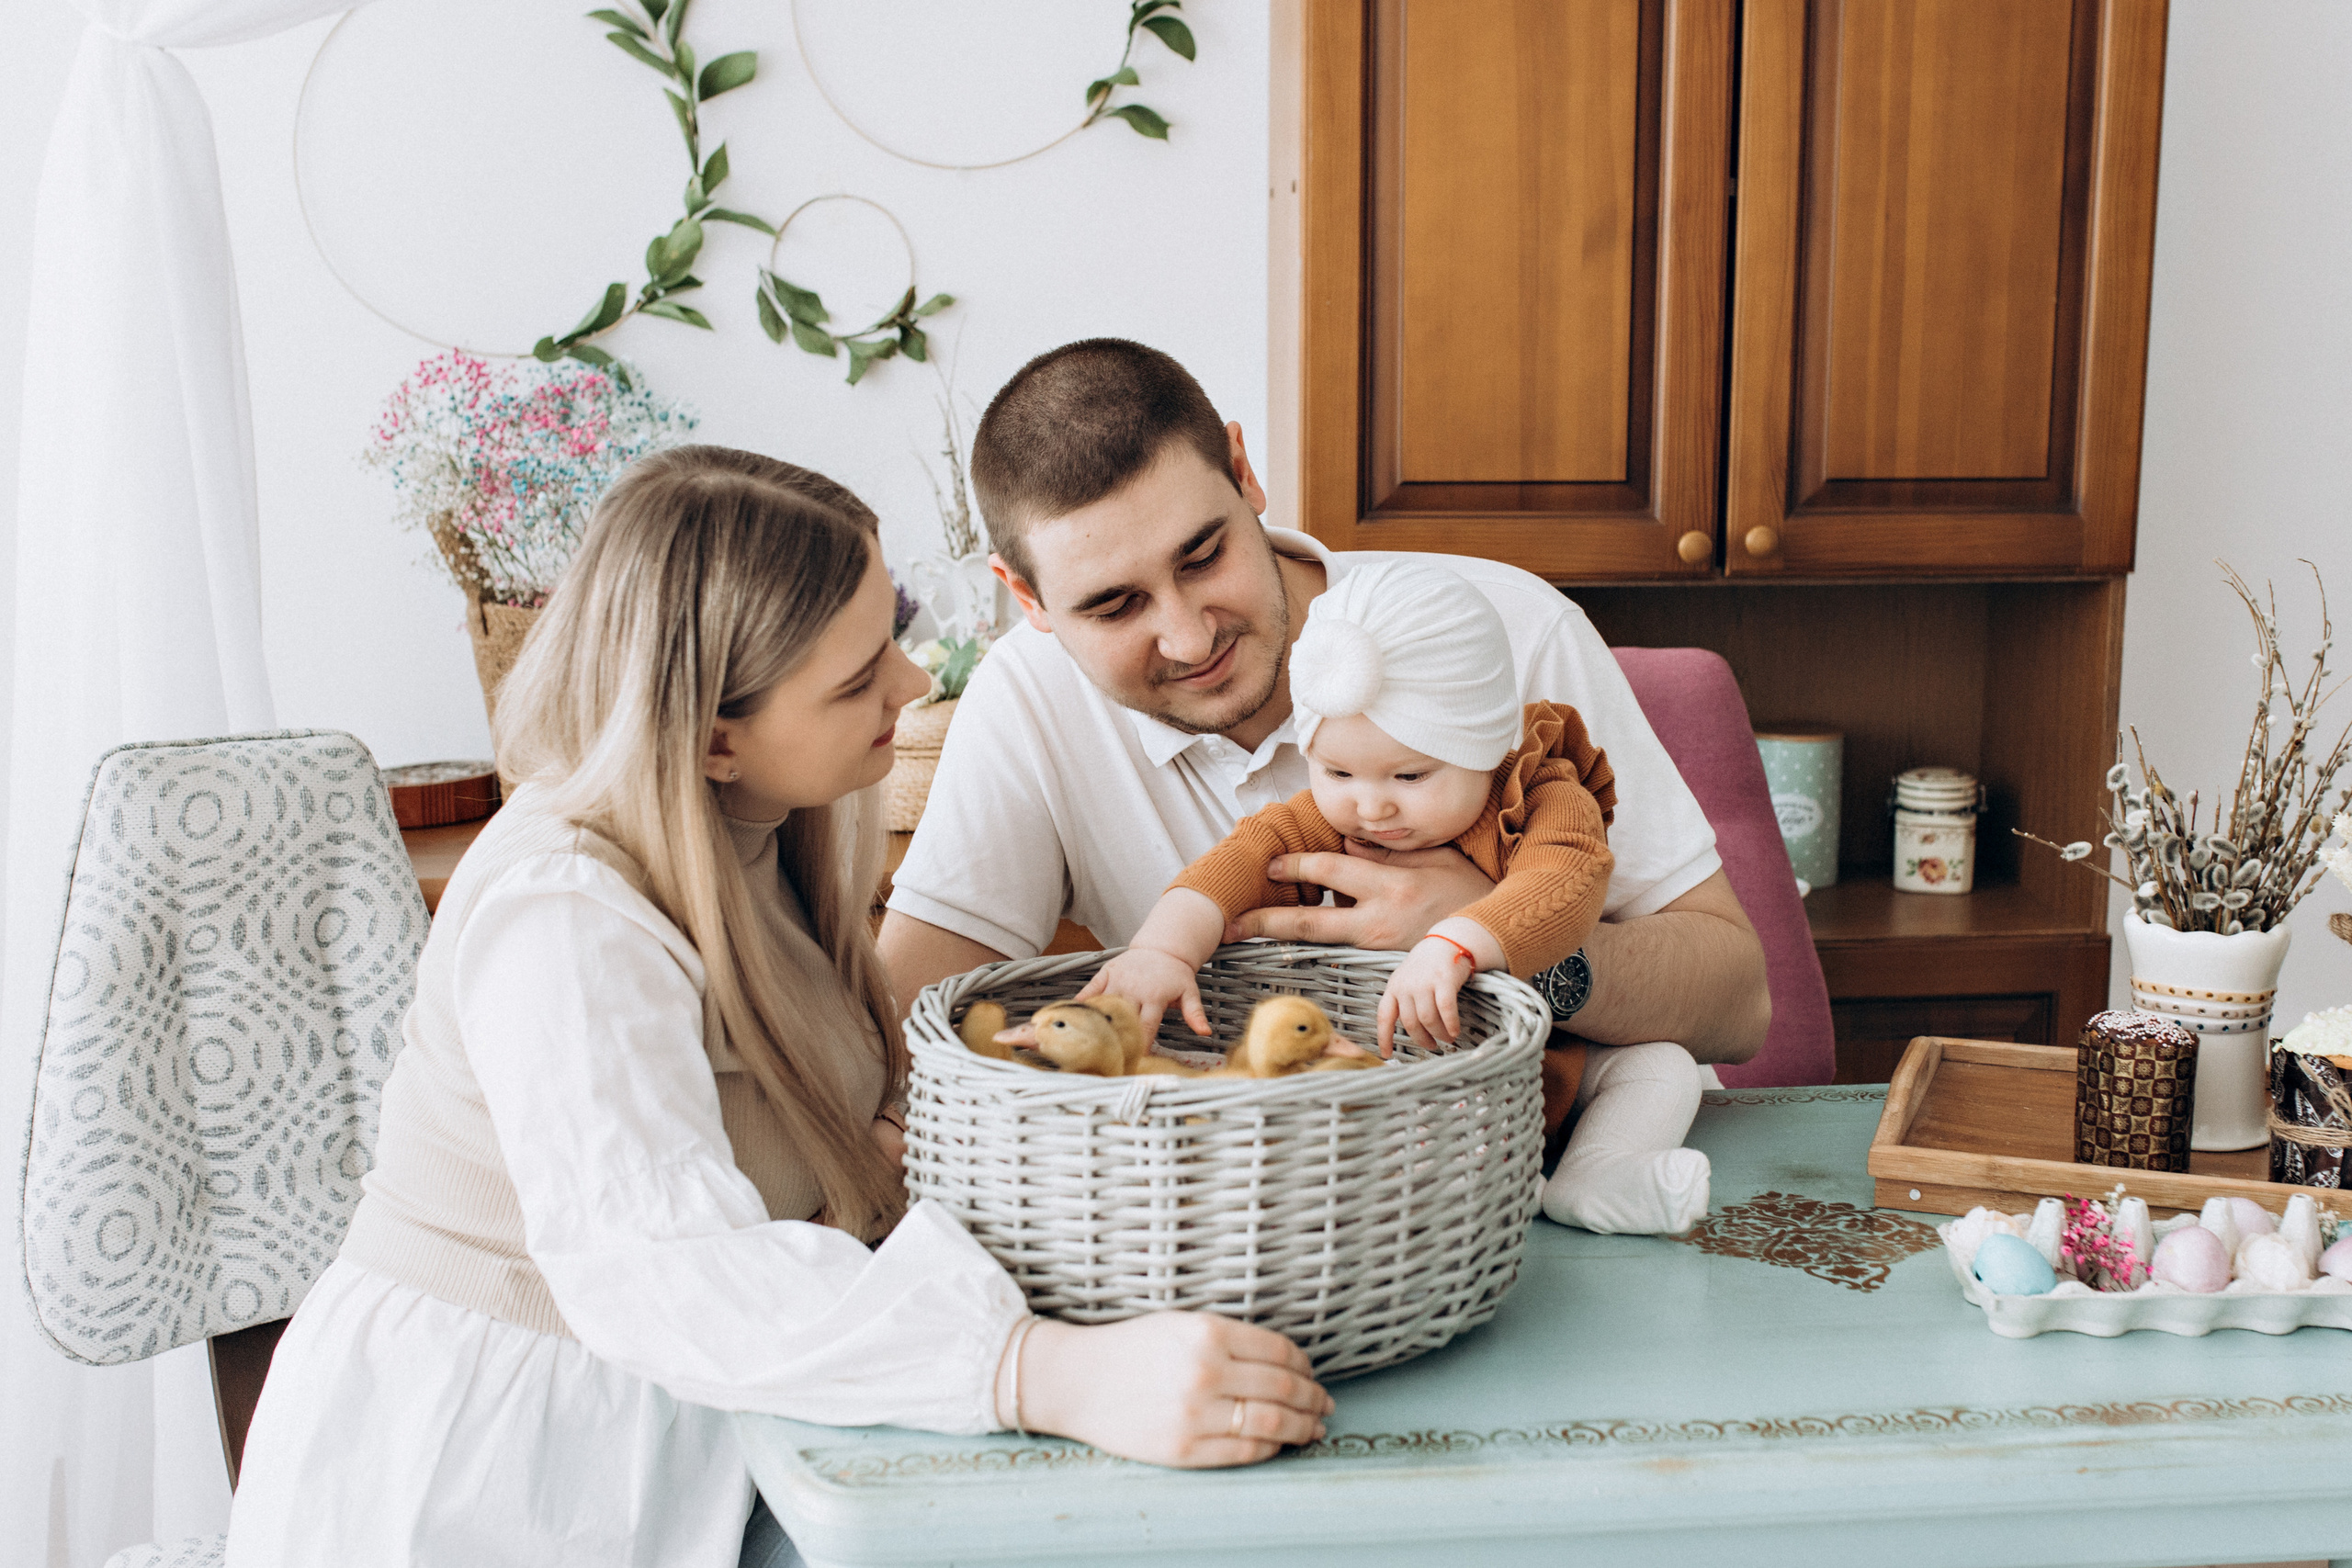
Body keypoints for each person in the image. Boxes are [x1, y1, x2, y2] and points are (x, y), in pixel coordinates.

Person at [225, 447, 1331, 1568]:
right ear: (714, 738)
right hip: (503, 1473)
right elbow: (662, 1275)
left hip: (700, 1427)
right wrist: (1040, 1371)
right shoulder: (564, 916)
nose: (910, 686)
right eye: (856, 681)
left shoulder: (765, 830)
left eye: (892, 635)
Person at [881, 339, 1771, 1085]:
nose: (1189, 638)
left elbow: (1739, 1003)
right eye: (1116, 607)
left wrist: (1499, 936)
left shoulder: (1507, 630)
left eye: (1203, 556)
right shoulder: (1026, 696)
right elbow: (900, 1028)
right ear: (1026, 597)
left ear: (1243, 473)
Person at [1085, 558, 1710, 1235]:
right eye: (1337, 771)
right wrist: (1163, 949)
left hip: (1536, 1066)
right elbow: (1242, 861)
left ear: (1485, 744)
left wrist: (1456, 939)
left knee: (1662, 1066)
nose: (1371, 804)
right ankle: (1472, 1186)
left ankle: (1598, 1168)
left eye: (1410, 776)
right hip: (1396, 1074)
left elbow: (1562, 884)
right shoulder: (1332, 817)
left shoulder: (1542, 796)